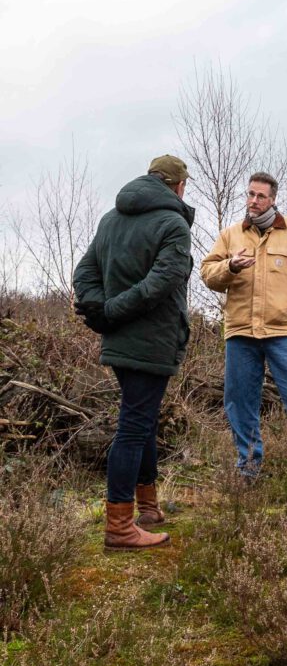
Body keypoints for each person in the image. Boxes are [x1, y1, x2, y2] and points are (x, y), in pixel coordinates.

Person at [73, 155, 195, 549]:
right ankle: (120, 527)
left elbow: (84, 274)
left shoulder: (111, 219)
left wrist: (101, 312)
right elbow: (162, 283)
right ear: (178, 186)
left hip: (120, 340)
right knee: (134, 426)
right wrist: (108, 311)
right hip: (151, 341)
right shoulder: (173, 224)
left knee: (140, 419)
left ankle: (148, 507)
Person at [200, 172, 287, 481]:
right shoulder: (231, 235)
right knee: (240, 402)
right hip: (240, 331)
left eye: (260, 196)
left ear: (273, 199)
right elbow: (208, 274)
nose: (253, 200)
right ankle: (249, 470)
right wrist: (230, 266)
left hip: (284, 330)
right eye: (250, 194)